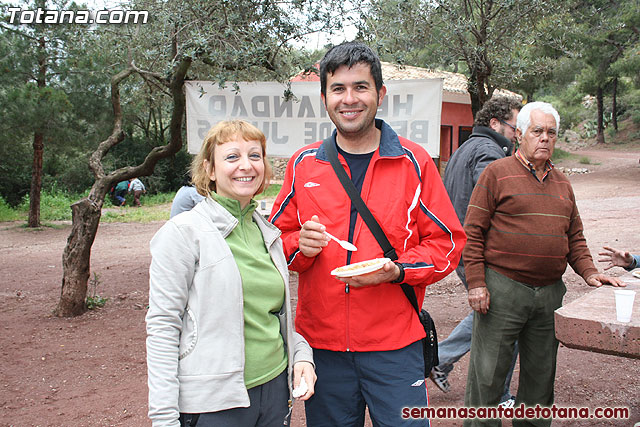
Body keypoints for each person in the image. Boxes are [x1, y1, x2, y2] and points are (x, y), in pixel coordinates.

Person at [270, 42, 466, 427]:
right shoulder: (304, 165)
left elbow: (447, 244)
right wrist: (300, 246)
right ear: (324, 97)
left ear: (380, 94)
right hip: (322, 347)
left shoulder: (414, 162)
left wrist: (398, 270)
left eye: (360, 87)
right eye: (338, 89)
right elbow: (277, 243)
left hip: (396, 346)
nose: (350, 99)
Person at [462, 102, 625, 426]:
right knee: (488, 376)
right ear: (520, 134)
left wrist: (591, 273)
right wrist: (478, 283)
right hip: (502, 290)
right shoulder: (497, 173)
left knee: (540, 378)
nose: (545, 138)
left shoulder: (563, 183)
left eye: (551, 132)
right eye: (537, 131)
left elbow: (574, 236)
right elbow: (473, 231)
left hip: (550, 293)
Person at [146, 120, 316, 427]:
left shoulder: (268, 234)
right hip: (216, 404)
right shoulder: (183, 233)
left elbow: (273, 318)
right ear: (210, 170)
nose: (246, 165)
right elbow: (162, 328)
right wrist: (164, 419)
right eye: (232, 156)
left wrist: (301, 354)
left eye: (255, 155)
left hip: (276, 393)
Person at [430, 97, 521, 407]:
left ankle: (439, 359)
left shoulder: (466, 146)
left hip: (463, 247)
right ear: (495, 123)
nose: (516, 134)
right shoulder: (488, 152)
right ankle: (498, 395)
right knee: (509, 318)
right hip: (480, 252)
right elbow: (498, 203)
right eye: (514, 127)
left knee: (492, 313)